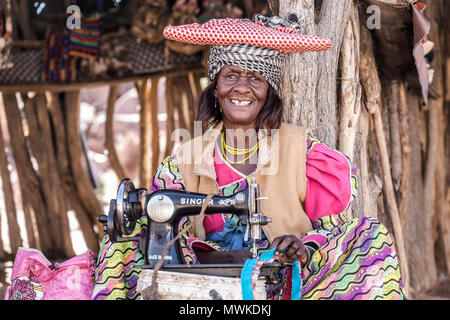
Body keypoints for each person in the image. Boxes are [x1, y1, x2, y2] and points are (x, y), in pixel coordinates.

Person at [92, 15, 406, 300]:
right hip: (206, 284)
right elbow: (163, 228)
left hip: (286, 280)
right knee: (124, 241)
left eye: (255, 78)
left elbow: (334, 230)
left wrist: (306, 249)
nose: (242, 88)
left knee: (368, 236)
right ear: (215, 87)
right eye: (231, 76)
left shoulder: (301, 151)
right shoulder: (183, 161)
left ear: (268, 90)